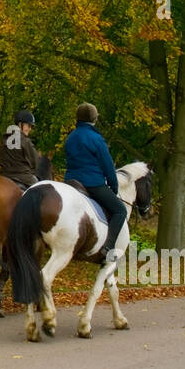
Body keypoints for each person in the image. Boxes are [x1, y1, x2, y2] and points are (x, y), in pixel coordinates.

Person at [63, 103, 126, 262]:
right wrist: (113, 186)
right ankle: (108, 247)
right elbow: (108, 165)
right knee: (120, 210)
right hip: (92, 183)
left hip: (71, 182)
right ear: (94, 119)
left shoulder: (70, 137)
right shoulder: (96, 138)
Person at [0, 109, 42, 190]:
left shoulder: (4, 139)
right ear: (20, 124)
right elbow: (35, 162)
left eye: (31, 126)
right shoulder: (24, 140)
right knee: (41, 190)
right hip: (23, 177)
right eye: (28, 125)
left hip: (4, 176)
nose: (30, 129)